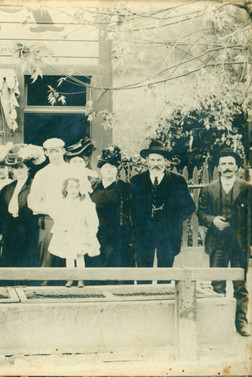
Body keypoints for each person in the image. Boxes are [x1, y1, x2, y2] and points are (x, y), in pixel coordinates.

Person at [197, 148, 251, 337]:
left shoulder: (247, 188)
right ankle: (218, 324)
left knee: (240, 285)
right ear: (218, 168)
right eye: (223, 164)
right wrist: (213, 221)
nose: (227, 167)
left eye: (230, 163)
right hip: (217, 243)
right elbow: (201, 213)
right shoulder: (208, 189)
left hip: (239, 244)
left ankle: (241, 322)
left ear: (237, 166)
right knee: (217, 284)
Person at [130, 140, 195, 283]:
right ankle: (144, 298)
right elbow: (132, 208)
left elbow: (189, 207)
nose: (156, 163)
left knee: (165, 272)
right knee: (143, 271)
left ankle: (163, 297)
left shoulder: (178, 181)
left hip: (168, 233)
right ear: (147, 161)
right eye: (152, 159)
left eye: (159, 160)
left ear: (166, 161)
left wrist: (171, 219)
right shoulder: (137, 181)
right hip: (144, 233)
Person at [27, 138, 89, 280]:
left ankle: (71, 293)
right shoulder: (41, 174)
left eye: (56, 151)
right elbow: (32, 202)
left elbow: (84, 196)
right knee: (47, 260)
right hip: (49, 221)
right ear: (46, 153)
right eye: (50, 152)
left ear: (63, 151)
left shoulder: (74, 171)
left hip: (73, 222)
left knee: (71, 258)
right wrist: (49, 209)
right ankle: (45, 292)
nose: (53, 155)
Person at [48, 177, 101, 288]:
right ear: (66, 188)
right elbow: (58, 218)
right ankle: (70, 278)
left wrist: (91, 232)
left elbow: (91, 219)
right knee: (69, 256)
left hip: (80, 232)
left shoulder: (85, 203)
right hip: (67, 232)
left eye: (77, 187)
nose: (74, 190)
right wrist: (62, 229)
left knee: (79, 255)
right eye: (71, 187)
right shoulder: (62, 203)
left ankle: (81, 279)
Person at [91, 146, 135, 273]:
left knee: (118, 270)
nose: (109, 170)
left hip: (119, 238)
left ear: (117, 170)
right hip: (96, 235)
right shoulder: (92, 189)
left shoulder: (127, 189)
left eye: (112, 167)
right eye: (106, 167)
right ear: (100, 169)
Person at [0, 146, 40, 273]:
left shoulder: (34, 184)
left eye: (21, 167)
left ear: (28, 168)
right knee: (11, 262)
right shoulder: (6, 188)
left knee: (27, 261)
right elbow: (3, 214)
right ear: (12, 169)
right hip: (11, 231)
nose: (18, 170)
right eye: (16, 167)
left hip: (28, 230)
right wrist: (2, 231)